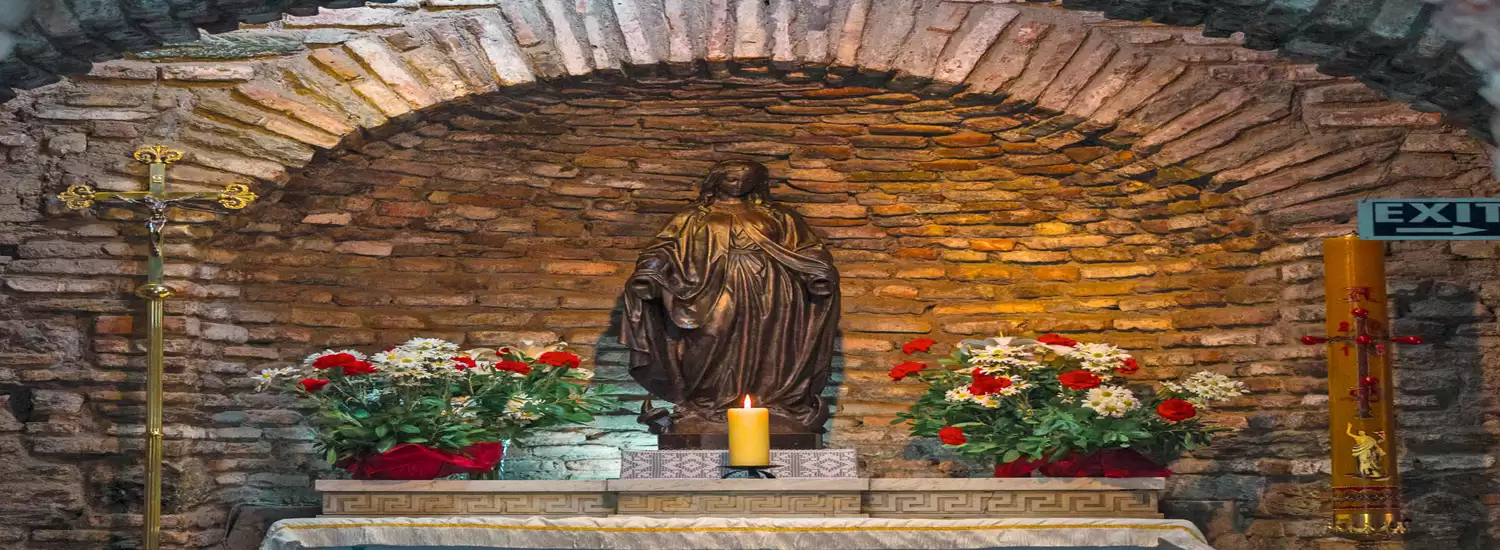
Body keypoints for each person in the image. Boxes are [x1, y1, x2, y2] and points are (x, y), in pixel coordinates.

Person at [621, 160, 840, 438]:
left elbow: (807, 249)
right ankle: (706, 404)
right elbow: (664, 248)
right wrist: (649, 272)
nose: (739, 185)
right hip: (709, 289)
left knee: (768, 343)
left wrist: (818, 273)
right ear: (717, 180)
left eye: (746, 180)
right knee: (711, 337)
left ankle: (769, 404)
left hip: (771, 289)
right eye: (732, 179)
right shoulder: (693, 217)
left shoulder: (779, 216)